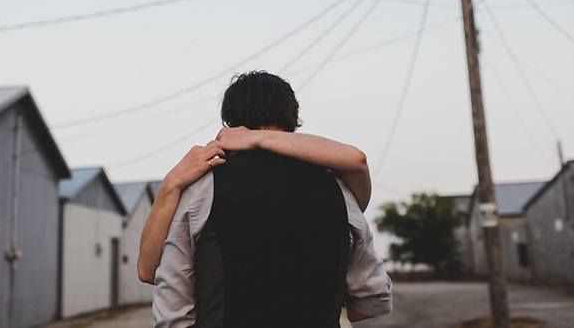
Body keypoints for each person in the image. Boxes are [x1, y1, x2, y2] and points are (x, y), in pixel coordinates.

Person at [139, 71, 391, 327]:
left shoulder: (202, 189)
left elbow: (171, 310)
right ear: (292, 122)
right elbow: (375, 298)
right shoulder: (339, 190)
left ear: (232, 123)